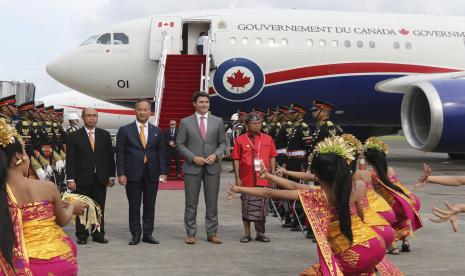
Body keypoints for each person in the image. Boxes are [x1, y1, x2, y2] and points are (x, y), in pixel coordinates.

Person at [228, 136, 397, 275]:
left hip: (355, 252)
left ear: (317, 175)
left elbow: (269, 193)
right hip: (376, 244)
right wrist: (270, 176)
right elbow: (361, 214)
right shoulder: (355, 186)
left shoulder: (318, 196)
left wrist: (238, 188)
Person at [0, 118, 86, 275]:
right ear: (19, 156)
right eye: (26, 151)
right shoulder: (47, 187)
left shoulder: (3, 193)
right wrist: (73, 207)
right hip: (58, 262)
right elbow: (62, 220)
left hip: (16, 265)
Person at [116, 99, 168, 245]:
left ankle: (148, 234)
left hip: (152, 173)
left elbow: (161, 153)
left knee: (150, 205)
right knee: (134, 205)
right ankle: (135, 234)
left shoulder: (156, 131)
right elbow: (120, 153)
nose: (143, 112)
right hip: (132, 173)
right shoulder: (125, 130)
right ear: (135, 110)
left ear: (150, 111)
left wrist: (163, 172)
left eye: (145, 109)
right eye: (140, 109)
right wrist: (121, 173)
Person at [176, 91, 226, 245]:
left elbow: (223, 143)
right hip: (192, 167)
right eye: (201, 102)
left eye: (206, 102)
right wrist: (192, 157)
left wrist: (216, 155)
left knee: (212, 202)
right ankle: (191, 233)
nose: (204, 105)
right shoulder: (185, 122)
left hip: (213, 167)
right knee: (191, 202)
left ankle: (212, 233)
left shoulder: (218, 121)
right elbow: (179, 144)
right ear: (194, 104)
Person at [364, 136, 422, 254]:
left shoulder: (371, 175)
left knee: (384, 218)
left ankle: (393, 246)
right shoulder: (390, 170)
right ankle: (405, 241)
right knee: (402, 218)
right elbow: (397, 186)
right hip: (402, 201)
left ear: (369, 161)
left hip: (390, 205)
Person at [66, 108, 115, 244]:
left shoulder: (104, 135)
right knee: (81, 208)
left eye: (94, 116)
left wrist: (111, 175)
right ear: (83, 117)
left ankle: (98, 234)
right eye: (89, 116)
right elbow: (70, 159)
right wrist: (70, 179)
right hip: (81, 179)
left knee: (99, 208)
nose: (92, 118)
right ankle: (82, 235)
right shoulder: (75, 136)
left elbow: (109, 157)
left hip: (100, 178)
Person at [231, 112, 277, 243]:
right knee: (246, 205)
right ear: (246, 125)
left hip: (263, 178)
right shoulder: (240, 140)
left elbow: (272, 156)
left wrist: (272, 176)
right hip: (246, 178)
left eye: (259, 123)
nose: (257, 126)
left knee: (262, 206)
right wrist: (237, 177)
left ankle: (260, 233)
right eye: (254, 123)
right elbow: (236, 159)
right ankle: (247, 233)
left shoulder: (268, 138)